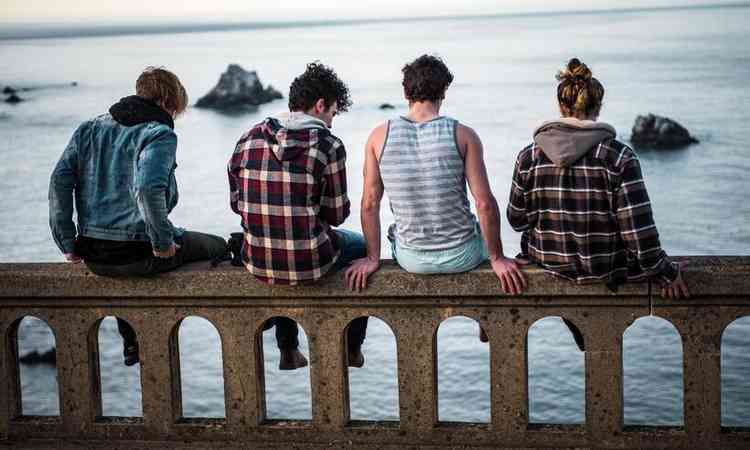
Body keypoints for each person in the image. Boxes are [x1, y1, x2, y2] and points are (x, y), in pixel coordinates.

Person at [49, 67, 228, 366]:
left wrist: (67, 242)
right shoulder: (159, 133)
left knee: (127, 262)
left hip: (93, 255)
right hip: (137, 252)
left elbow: (59, 181)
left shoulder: (89, 128)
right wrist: (161, 242)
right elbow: (147, 189)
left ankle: (131, 338)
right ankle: (158, 338)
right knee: (218, 247)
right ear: (167, 103)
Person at [344, 54, 526, 310]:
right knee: (485, 247)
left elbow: (369, 204)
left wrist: (372, 257)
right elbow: (484, 203)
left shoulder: (378, 137)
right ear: (444, 91)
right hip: (463, 254)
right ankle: (486, 322)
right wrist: (497, 257)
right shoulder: (463, 134)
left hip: (412, 259)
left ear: (406, 92)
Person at [506, 58, 690, 304]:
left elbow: (516, 220)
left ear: (561, 106)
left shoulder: (529, 156)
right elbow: (638, 232)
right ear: (598, 106)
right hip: (607, 270)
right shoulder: (618, 156)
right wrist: (666, 270)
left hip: (547, 264)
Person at [228, 62, 369, 370]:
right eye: (332, 112)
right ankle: (352, 347)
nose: (331, 122)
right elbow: (336, 214)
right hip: (311, 262)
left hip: (258, 259)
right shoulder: (328, 144)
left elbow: (237, 203)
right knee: (362, 249)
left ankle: (288, 349)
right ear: (320, 105)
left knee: (274, 242)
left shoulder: (248, 137)